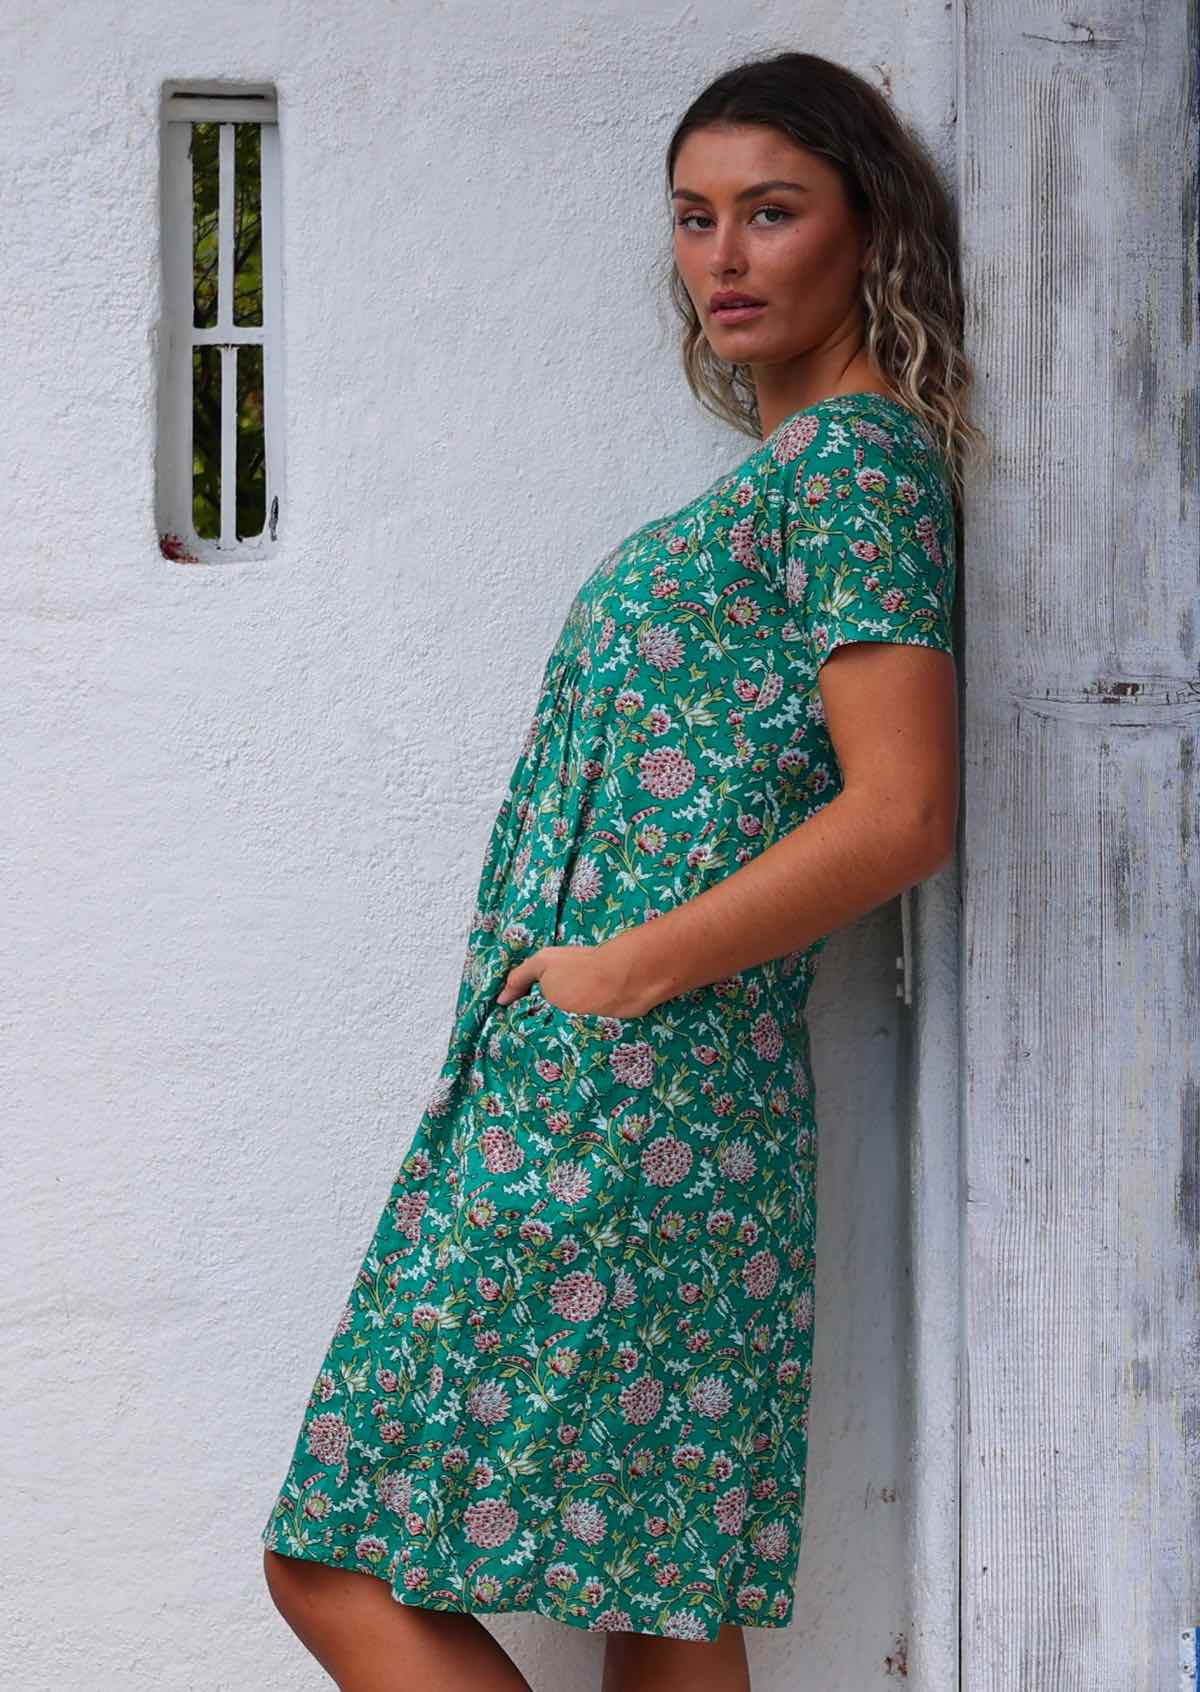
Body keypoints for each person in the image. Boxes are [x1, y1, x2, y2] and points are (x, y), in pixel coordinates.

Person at [261, 47, 984, 1692]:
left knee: (333, 1564)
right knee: (653, 1594)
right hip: (647, 1097)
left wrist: (621, 973)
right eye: (694, 217)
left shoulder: (857, 473)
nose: (724, 256)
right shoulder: (794, 483)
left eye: (772, 212)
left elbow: (902, 813)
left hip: (630, 1092)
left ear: (866, 234)